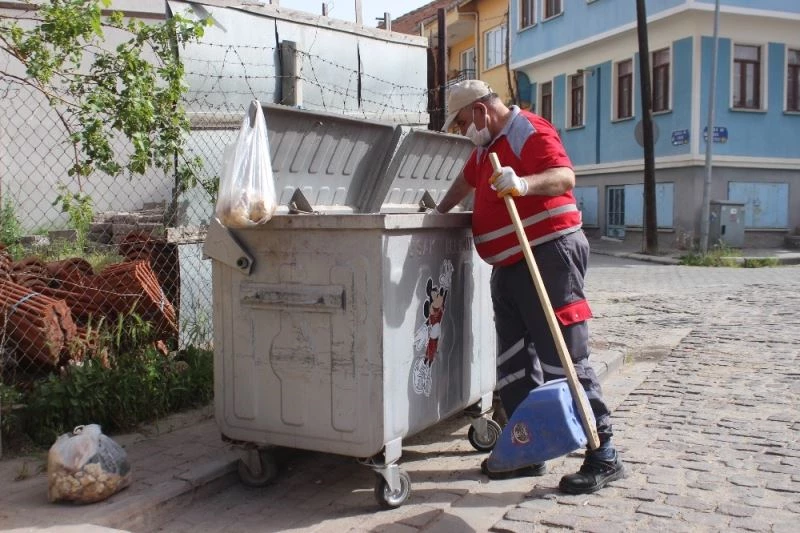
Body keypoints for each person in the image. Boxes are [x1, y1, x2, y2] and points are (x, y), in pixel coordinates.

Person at [432, 79, 625, 495]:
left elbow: (564, 177)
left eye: (462, 122)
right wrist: (436, 211)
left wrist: (522, 184)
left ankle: (603, 452)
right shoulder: (485, 147)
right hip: (510, 263)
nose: (463, 131)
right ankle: (528, 448)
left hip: (548, 254)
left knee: (564, 357)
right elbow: (465, 183)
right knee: (515, 361)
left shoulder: (528, 130)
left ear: (481, 111)